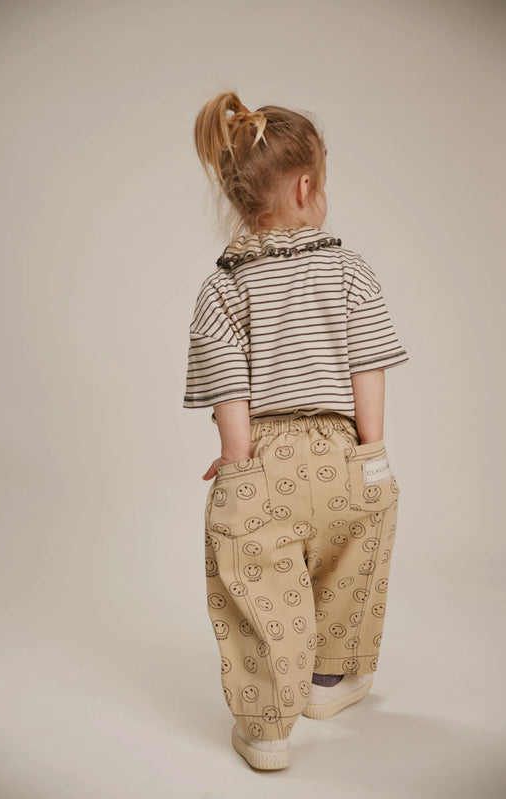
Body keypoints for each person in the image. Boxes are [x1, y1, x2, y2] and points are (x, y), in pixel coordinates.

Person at [183, 92, 410, 771]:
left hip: (264, 458)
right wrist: (371, 452)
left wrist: (237, 461)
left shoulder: (222, 287)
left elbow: (229, 387)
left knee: (257, 583)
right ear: (307, 186)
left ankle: (266, 730)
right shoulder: (349, 270)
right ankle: (329, 680)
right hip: (345, 454)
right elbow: (367, 366)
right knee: (351, 558)